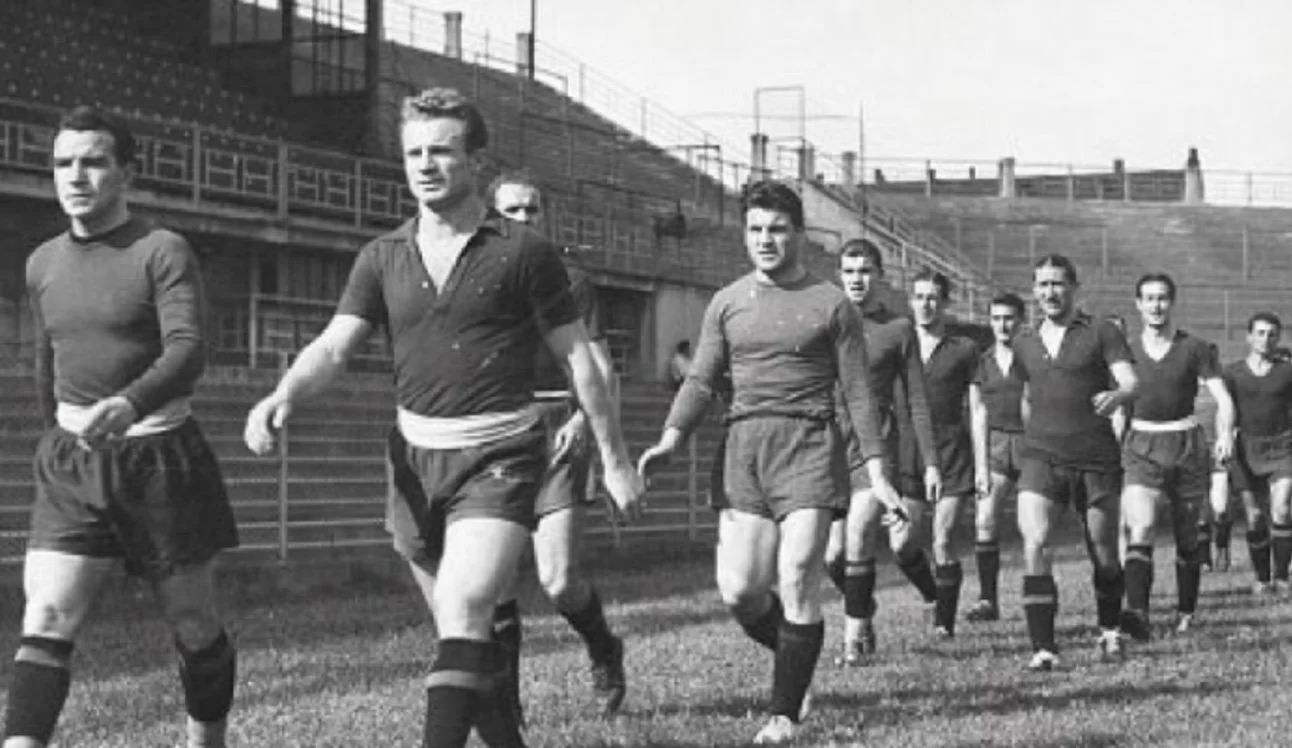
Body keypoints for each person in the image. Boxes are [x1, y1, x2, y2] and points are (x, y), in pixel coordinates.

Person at [242, 88, 643, 748]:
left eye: (441, 151)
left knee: (465, 611)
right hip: (414, 462)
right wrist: (282, 394)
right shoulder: (381, 256)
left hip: (501, 455)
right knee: (466, 645)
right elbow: (335, 346)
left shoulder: (523, 252)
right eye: (414, 153)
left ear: (476, 161)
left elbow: (581, 359)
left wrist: (616, 459)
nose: (425, 165)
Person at [4, 106, 238, 748]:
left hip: (159, 457)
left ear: (127, 172)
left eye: (93, 162)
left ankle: (207, 741)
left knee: (193, 622)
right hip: (74, 463)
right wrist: (58, 435)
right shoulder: (42, 263)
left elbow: (189, 348)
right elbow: (48, 361)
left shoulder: (160, 250)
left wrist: (131, 404)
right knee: (46, 615)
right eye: (63, 163)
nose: (75, 176)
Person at [638, 182, 901, 745]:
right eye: (756, 229)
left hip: (809, 446)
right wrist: (670, 440)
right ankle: (794, 663)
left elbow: (858, 392)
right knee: (739, 590)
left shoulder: (831, 303)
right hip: (744, 450)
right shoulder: (727, 302)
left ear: (799, 234)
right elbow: (701, 379)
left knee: (798, 572)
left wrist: (877, 471)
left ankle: (784, 714)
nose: (766, 239)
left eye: (777, 229)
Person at [488, 170, 627, 719]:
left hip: (558, 427)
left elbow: (600, 365)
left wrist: (584, 419)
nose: (523, 219)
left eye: (532, 209)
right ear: (493, 217)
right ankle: (508, 709)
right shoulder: (477, 276)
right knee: (495, 579)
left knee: (559, 579)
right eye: (512, 211)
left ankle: (603, 645)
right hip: (496, 429)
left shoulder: (571, 280)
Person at [1013, 254, 1138, 671]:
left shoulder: (1101, 331)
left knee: (1104, 552)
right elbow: (1026, 396)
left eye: (1058, 284)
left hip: (1096, 458)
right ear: (1034, 290)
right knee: (1036, 542)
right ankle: (1044, 648)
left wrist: (1117, 396)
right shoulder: (1024, 341)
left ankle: (1110, 631)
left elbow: (1131, 381)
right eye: (1043, 284)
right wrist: (1035, 437)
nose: (1050, 292)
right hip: (1041, 457)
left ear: (1073, 288)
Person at [824, 238, 940, 666]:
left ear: (880, 275)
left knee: (859, 534)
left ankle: (853, 640)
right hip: (829, 444)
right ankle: (863, 607)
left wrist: (931, 463)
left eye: (865, 271)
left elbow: (917, 401)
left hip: (876, 446)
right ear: (840, 275)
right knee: (832, 555)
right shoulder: (826, 321)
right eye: (849, 271)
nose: (857, 279)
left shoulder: (898, 329)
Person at [1117, 273, 1234, 638]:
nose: (1156, 305)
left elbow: (1224, 398)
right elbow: (1119, 404)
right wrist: (1115, 443)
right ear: (1138, 304)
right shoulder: (1126, 351)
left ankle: (1186, 612)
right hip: (1141, 445)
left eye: (1162, 298)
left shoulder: (1195, 348)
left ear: (1172, 302)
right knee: (1142, 525)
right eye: (1149, 298)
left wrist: (1225, 433)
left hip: (1186, 445)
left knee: (1188, 535)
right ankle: (1137, 614)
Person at [901, 270, 983, 638]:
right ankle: (934, 594)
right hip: (908, 455)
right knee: (903, 542)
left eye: (933, 297)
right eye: (919, 296)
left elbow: (978, 409)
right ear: (910, 300)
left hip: (952, 455)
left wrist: (982, 465)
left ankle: (943, 624)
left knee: (943, 539)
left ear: (946, 303)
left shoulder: (963, 349)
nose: (926, 304)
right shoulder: (899, 344)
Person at [965, 292, 1028, 623]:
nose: (1003, 325)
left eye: (1009, 318)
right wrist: (980, 466)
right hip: (997, 447)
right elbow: (978, 413)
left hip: (1031, 445)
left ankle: (1037, 596)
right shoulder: (983, 361)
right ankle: (988, 600)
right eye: (997, 318)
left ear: (1021, 320)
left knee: (1034, 526)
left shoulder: (1032, 357)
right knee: (984, 519)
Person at [1222, 312, 1292, 595]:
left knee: (1282, 508)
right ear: (1249, 337)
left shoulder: (1287, 372)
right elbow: (1225, 410)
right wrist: (1224, 435)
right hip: (1246, 450)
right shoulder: (1232, 373)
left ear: (1279, 338)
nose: (1266, 339)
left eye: (1272, 334)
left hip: (1283, 446)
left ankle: (1282, 577)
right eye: (1260, 333)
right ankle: (1262, 578)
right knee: (1254, 517)